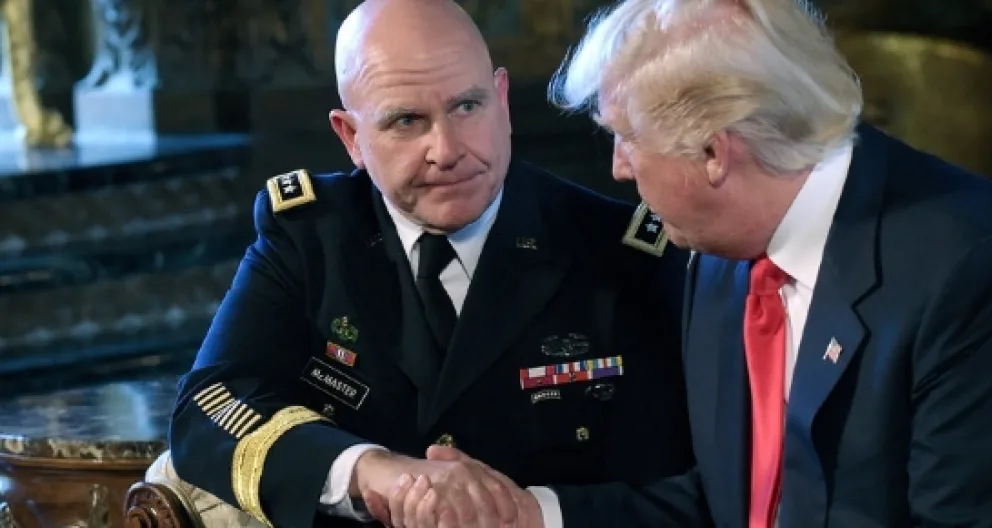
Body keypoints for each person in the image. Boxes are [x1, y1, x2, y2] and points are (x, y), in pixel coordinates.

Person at [403, 0, 992, 526]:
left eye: (626, 138)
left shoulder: (984, 277)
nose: (618, 169)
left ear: (714, 153)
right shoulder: (721, 258)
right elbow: (736, 506)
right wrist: (531, 515)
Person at [166, 0, 696, 526]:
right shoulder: (312, 238)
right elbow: (208, 409)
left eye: (467, 107)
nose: (446, 150)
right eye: (406, 121)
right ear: (351, 138)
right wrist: (373, 473)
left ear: (502, 100)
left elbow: (686, 491)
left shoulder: (619, 255)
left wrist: (533, 515)